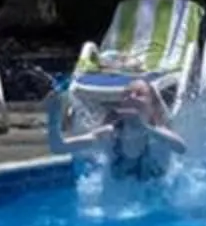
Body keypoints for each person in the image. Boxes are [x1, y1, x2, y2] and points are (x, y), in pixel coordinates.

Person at [50, 75, 187, 183]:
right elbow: (59, 147)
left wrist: (145, 127)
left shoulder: (158, 135)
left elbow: (181, 148)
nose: (131, 97)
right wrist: (53, 117)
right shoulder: (110, 134)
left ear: (152, 105)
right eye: (127, 94)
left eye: (139, 94)